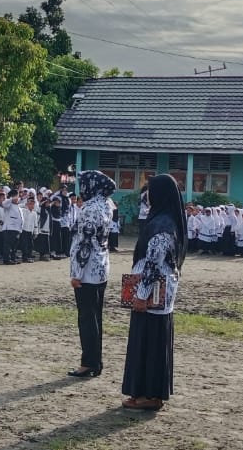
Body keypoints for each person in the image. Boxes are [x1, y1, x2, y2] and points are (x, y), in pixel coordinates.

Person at [120, 173, 186, 411]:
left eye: (150, 191)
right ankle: (142, 392)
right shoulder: (164, 220)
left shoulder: (162, 225)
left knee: (151, 343)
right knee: (146, 341)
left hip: (152, 294)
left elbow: (154, 263)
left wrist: (141, 294)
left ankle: (152, 395)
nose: (147, 196)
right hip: (156, 293)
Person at [68, 170, 114, 379]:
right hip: (101, 268)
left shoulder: (89, 209)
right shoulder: (106, 205)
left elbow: (84, 244)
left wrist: (76, 273)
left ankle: (89, 363)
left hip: (87, 271)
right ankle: (95, 361)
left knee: (86, 318)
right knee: (95, 317)